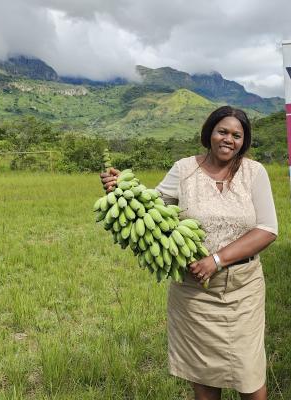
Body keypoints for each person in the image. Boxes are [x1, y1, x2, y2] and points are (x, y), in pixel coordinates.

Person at [101, 106, 277, 400]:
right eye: (222, 131)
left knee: (250, 373)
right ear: (209, 133)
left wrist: (217, 260)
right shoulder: (184, 169)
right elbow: (149, 208)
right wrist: (119, 191)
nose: (228, 139)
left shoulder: (254, 172)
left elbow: (268, 229)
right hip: (194, 291)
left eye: (237, 135)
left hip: (243, 288)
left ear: (243, 142)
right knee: (204, 375)